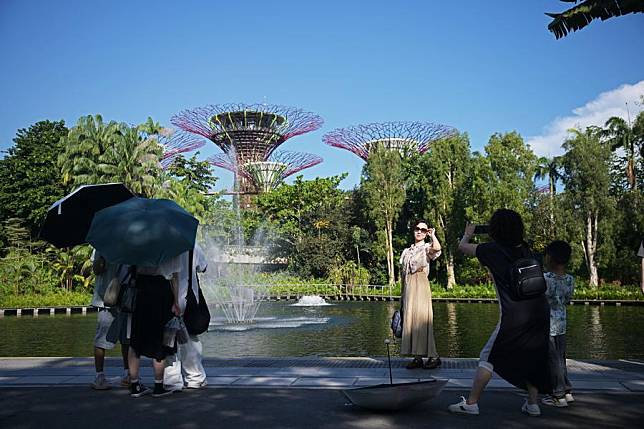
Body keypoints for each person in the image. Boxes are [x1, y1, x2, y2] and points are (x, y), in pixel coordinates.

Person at [449, 209, 551, 417]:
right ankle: (533, 404)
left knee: (487, 356)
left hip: (513, 315)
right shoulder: (526, 249)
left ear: (494, 229)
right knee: (534, 356)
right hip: (540, 311)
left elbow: (462, 247)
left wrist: (469, 233)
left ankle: (471, 403)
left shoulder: (491, 250)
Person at [127, 254, 182, 398]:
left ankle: (134, 385)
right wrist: (176, 301)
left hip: (141, 289)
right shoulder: (171, 245)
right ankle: (158, 385)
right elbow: (175, 277)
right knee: (159, 338)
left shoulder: (138, 242)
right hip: (161, 291)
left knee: (135, 338)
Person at [164, 244, 209, 390]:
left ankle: (171, 380)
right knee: (190, 339)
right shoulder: (192, 246)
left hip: (166, 298)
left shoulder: (163, 245)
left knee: (168, 339)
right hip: (188, 298)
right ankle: (194, 377)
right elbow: (203, 267)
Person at [399, 220, 442, 370]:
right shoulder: (407, 251)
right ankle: (417, 357)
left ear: (426, 233)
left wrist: (433, 236)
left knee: (423, 320)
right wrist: (402, 295)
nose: (419, 232)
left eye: (423, 230)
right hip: (408, 287)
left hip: (421, 285)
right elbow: (403, 274)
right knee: (411, 321)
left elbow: (437, 248)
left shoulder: (426, 248)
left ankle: (434, 356)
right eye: (417, 229)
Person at [89, 250, 130, 390]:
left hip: (127, 299)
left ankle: (128, 374)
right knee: (102, 338)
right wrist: (102, 258)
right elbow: (96, 270)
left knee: (127, 339)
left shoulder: (130, 242)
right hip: (107, 299)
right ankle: (99, 376)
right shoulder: (101, 245)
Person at [542, 240, 575, 407]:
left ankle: (558, 395)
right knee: (561, 358)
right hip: (562, 322)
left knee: (552, 360)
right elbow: (568, 299)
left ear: (550, 258)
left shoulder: (545, 278)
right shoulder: (570, 279)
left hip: (547, 324)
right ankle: (567, 390)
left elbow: (540, 298)